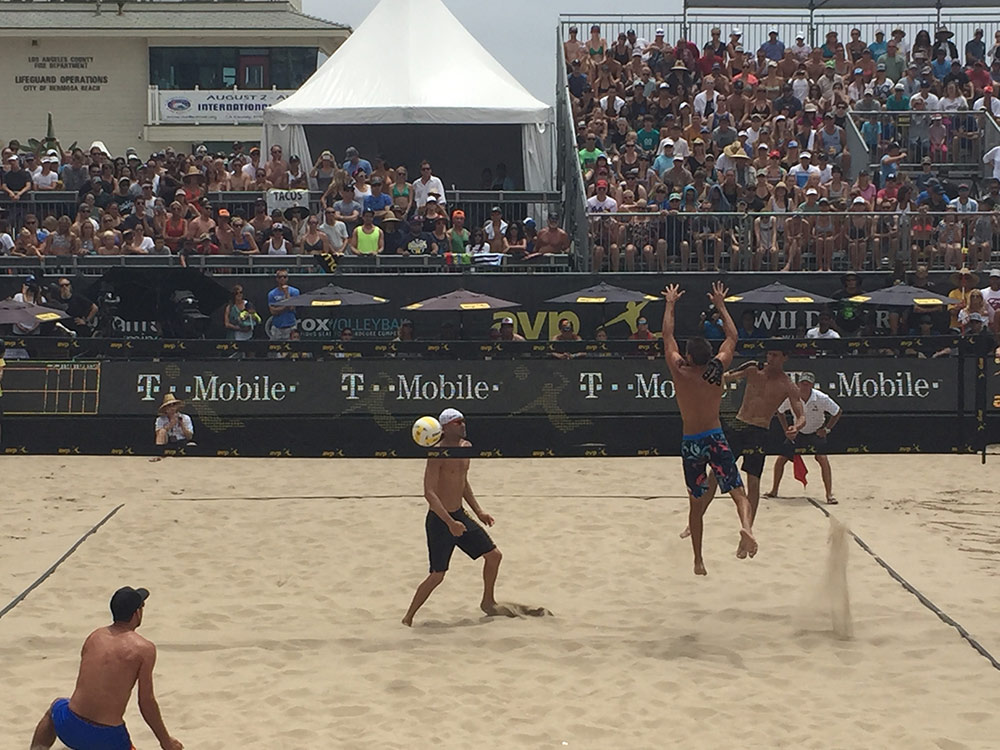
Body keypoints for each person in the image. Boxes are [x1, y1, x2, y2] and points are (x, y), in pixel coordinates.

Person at [662, 282, 756, 575]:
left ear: (689, 356)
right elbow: (733, 336)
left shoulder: (681, 371)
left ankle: (698, 560)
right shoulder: (718, 369)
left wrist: (670, 303)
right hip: (715, 436)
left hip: (692, 440)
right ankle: (746, 527)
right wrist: (721, 304)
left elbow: (667, 336)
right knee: (738, 492)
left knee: (695, 501)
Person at [682, 341, 806, 555]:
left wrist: (797, 426)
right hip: (739, 426)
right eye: (769, 354)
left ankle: (747, 532)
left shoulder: (787, 385)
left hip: (759, 431)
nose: (771, 358)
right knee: (714, 476)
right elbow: (725, 376)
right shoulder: (753, 368)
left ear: (785, 357)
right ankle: (695, 521)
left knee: (753, 483)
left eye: (776, 355)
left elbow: (800, 413)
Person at [29, 586, 183, 750]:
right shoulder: (144, 649)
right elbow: (146, 702)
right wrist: (166, 741)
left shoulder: (95, 636)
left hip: (70, 726)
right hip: (107, 738)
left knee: (55, 707)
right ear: (137, 613)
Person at [401, 408, 502, 626]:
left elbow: (462, 482)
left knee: (494, 556)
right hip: (440, 520)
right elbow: (429, 493)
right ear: (445, 428)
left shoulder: (466, 448)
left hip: (459, 515)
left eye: (463, 421)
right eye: (458, 423)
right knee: (438, 575)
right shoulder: (437, 453)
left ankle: (488, 602)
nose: (463, 425)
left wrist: (478, 511)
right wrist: (450, 523)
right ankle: (408, 618)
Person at [765, 372, 842, 505]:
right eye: (802, 383)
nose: (805, 386)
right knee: (781, 459)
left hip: (816, 431)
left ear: (812, 385)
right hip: (798, 431)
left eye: (807, 384)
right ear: (798, 384)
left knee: (822, 459)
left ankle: (829, 494)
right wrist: (786, 430)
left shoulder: (821, 398)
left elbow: (837, 411)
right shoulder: (792, 397)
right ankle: (774, 490)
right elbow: (780, 411)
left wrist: (827, 429)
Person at [266, 269, 300, 340]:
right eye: (280, 277)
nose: (282, 279)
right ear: (277, 279)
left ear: (287, 278)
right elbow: (273, 311)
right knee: (275, 349)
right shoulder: (272, 294)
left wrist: (286, 293)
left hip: (290, 326)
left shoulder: (295, 291)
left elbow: (292, 307)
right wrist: (286, 306)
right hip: (277, 327)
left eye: (284, 277)